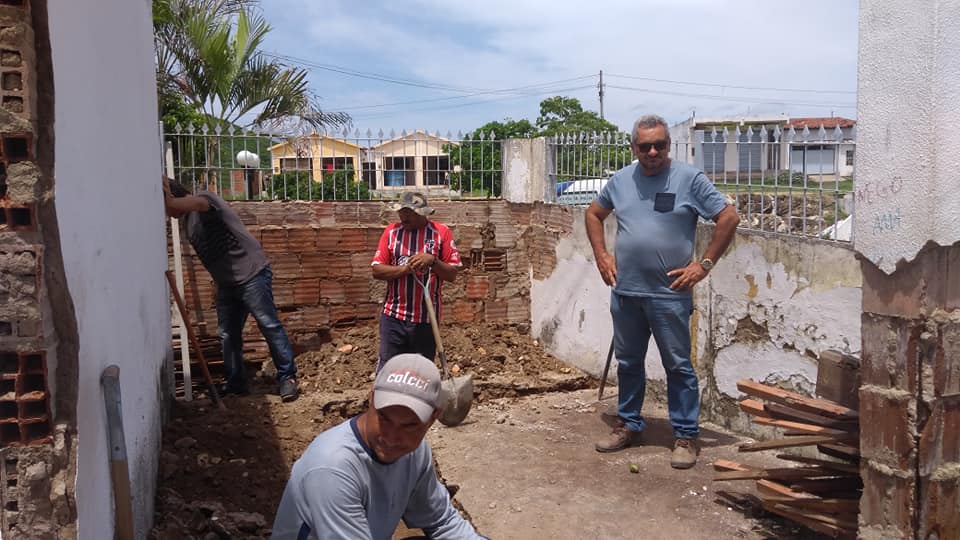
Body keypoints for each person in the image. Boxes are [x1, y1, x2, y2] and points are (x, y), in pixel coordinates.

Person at [584, 115, 740, 468]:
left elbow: (728, 217)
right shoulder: (622, 180)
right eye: (645, 146)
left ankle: (685, 434)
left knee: (678, 366)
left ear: (669, 145)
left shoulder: (689, 179)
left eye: (660, 145)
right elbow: (594, 214)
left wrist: (704, 265)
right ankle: (629, 424)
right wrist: (602, 256)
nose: (653, 151)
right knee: (629, 363)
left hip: (670, 293)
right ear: (633, 147)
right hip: (626, 293)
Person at [272, 353, 485, 540]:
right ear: (371, 398)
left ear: (433, 418)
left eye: (409, 425)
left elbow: (441, 521)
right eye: (384, 418)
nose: (392, 438)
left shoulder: (416, 453)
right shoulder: (332, 468)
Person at [163, 177, 299, 402]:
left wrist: (166, 197)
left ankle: (288, 378)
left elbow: (194, 205)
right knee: (228, 334)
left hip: (252, 273)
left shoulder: (204, 199)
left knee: (269, 324)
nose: (168, 215)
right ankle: (236, 384)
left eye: (168, 208)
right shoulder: (187, 224)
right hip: (227, 284)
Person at [371, 192, 462, 372]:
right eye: (401, 212)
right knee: (387, 372)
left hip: (426, 319)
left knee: (420, 374)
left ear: (422, 213)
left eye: (408, 212)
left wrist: (433, 261)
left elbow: (452, 274)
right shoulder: (391, 233)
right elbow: (377, 270)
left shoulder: (440, 233)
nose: (403, 216)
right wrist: (406, 270)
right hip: (393, 317)